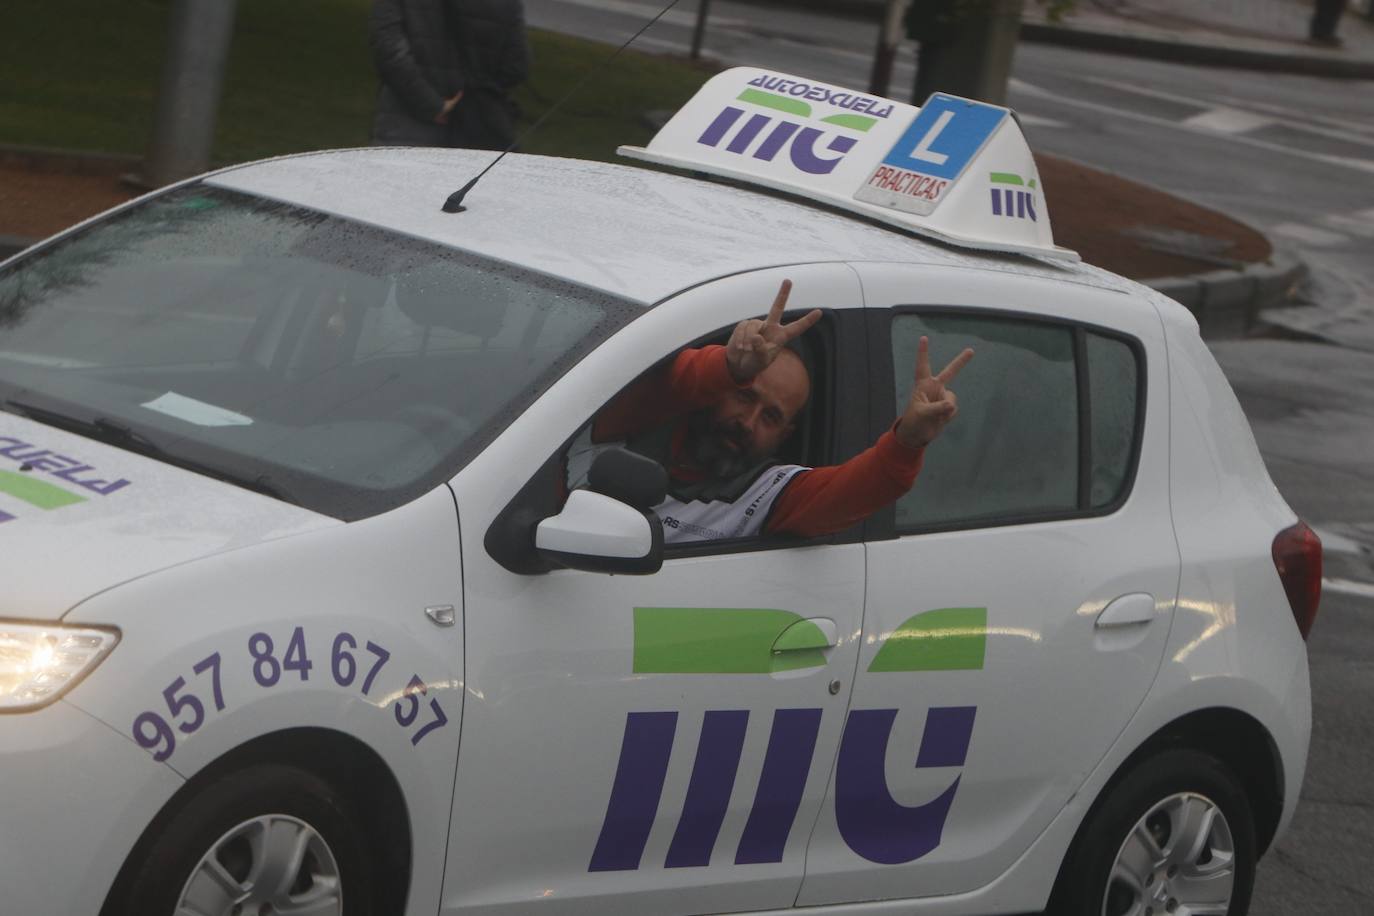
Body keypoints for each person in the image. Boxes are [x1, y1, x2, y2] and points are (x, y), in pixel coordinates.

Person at [568, 280, 973, 544]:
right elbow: (662, 382)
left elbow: (854, 492)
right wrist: (728, 368)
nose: (747, 423)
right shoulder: (631, 420)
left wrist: (908, 441)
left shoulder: (765, 494)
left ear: (786, 434)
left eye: (771, 417)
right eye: (745, 397)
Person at [368, 0, 530, 150]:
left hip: (404, 128)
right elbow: (516, 66)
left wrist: (431, 104)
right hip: (475, 132)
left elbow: (390, 52)